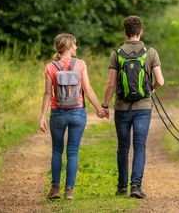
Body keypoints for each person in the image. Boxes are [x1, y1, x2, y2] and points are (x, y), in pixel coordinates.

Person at [101, 15, 164, 199]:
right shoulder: (150, 52)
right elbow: (160, 80)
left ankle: (121, 187)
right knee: (139, 146)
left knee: (122, 147)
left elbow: (111, 84)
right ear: (140, 31)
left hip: (121, 108)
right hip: (143, 108)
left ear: (125, 32)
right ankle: (136, 186)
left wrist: (104, 105)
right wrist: (150, 90)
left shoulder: (117, 53)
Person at [40, 33, 108, 200]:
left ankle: (55, 189)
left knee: (56, 151)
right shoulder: (81, 64)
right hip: (78, 112)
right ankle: (69, 191)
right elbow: (88, 89)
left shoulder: (50, 67)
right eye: (75, 45)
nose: (76, 47)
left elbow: (48, 93)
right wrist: (100, 109)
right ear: (69, 47)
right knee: (73, 152)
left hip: (58, 113)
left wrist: (42, 116)